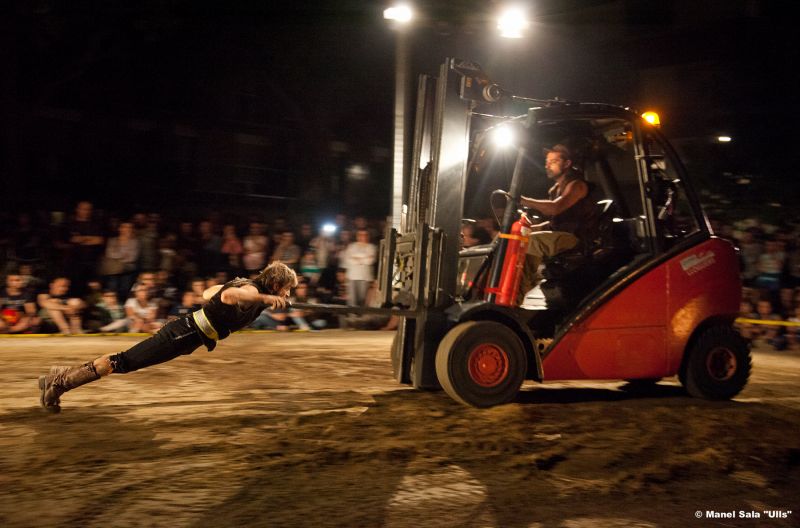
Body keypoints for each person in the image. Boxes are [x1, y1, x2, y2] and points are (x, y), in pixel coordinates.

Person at [37, 262, 298, 413]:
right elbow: (234, 296)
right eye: (286, 289)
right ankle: (61, 384)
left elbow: (209, 294)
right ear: (275, 286)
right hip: (182, 333)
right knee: (122, 362)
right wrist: (262, 298)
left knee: (124, 362)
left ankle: (53, 378)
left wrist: (263, 300)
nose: (287, 295)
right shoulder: (251, 290)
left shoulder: (251, 289)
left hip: (187, 335)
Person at [517, 144, 601, 303]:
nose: (547, 165)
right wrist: (525, 229)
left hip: (576, 239)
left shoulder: (577, 185)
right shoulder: (555, 188)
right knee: (515, 238)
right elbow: (553, 221)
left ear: (567, 163)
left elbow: (555, 208)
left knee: (532, 242)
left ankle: (518, 295)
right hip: (561, 236)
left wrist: (522, 199)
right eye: (546, 161)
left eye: (553, 161)